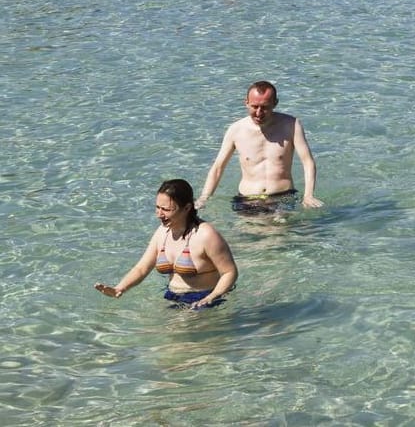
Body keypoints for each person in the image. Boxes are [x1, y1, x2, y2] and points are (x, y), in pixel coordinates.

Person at [95, 178, 237, 309]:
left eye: (166, 209)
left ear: (187, 208)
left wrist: (211, 298)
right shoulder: (162, 232)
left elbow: (229, 272)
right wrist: (120, 288)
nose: (159, 214)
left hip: (204, 300)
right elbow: (142, 268)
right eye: (158, 207)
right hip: (172, 297)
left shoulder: (206, 235)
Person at [199, 81, 323, 213]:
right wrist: (204, 197)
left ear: (275, 103)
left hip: (283, 197)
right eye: (254, 106)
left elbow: (307, 162)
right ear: (246, 102)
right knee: (245, 232)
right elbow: (218, 167)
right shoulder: (236, 130)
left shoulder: (291, 125)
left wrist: (308, 195)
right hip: (247, 199)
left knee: (278, 231)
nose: (259, 113)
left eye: (265, 107)